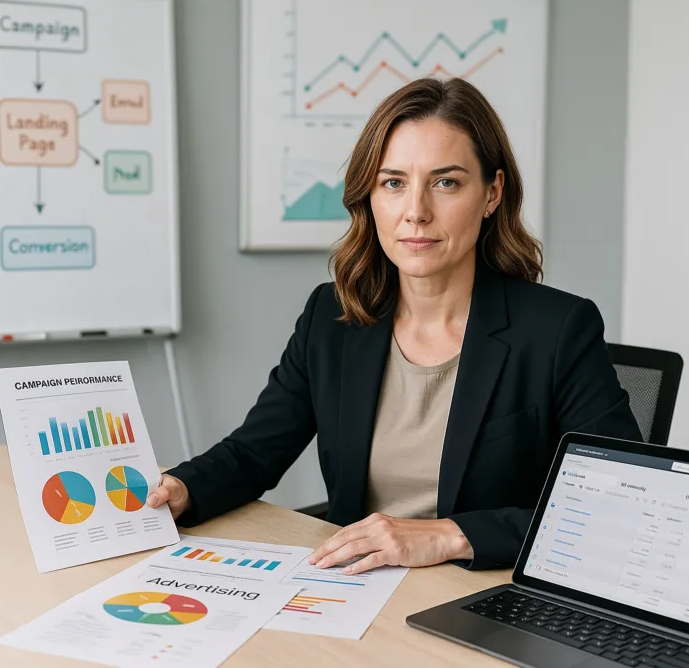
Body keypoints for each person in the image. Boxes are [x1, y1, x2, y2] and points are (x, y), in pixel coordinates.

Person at [148, 76, 642, 574]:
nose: (416, 212)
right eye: (394, 183)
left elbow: (617, 504)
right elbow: (255, 451)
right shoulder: (333, 317)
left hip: (481, 595)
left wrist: (450, 536)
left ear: (492, 193)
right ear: (371, 196)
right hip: (353, 588)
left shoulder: (557, 330)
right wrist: (184, 488)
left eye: (446, 182)